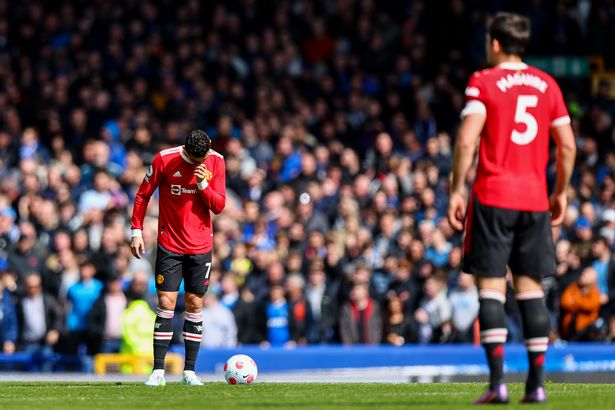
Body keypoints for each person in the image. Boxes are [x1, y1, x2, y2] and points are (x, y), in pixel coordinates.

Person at [447, 12, 576, 404]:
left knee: (490, 291)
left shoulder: (483, 81)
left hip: (492, 197)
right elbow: (567, 145)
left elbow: (468, 141)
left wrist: (456, 189)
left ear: (496, 43)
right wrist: (561, 192)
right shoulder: (547, 85)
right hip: (535, 200)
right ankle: (536, 386)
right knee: (531, 291)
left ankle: (498, 383)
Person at [130, 130, 226, 386]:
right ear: (186, 150)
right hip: (169, 243)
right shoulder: (165, 159)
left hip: (201, 245)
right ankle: (158, 371)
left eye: (202, 158)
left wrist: (203, 185)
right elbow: (143, 195)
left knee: (195, 304)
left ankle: (190, 372)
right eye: (195, 159)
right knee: (166, 302)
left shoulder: (216, 160)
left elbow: (218, 205)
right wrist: (136, 231)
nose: (199, 163)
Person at [17, 273, 62, 368]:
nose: (33, 289)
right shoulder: (21, 301)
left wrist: (55, 330)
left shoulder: (48, 299)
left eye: (36, 286)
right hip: (28, 342)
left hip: (45, 343)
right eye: (30, 287)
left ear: (40, 286)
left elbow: (59, 316)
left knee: (46, 371)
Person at [560, 267, 601, 341]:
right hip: (569, 328)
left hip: (585, 332)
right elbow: (565, 302)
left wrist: (574, 300)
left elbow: (590, 305)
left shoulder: (595, 291)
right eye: (583, 274)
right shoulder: (573, 287)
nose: (582, 275)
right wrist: (580, 303)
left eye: (586, 274)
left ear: (593, 279)